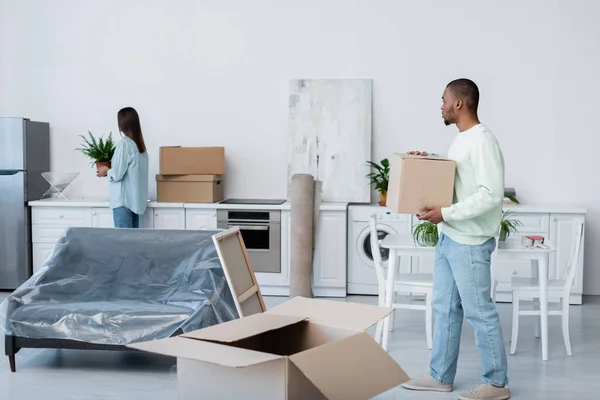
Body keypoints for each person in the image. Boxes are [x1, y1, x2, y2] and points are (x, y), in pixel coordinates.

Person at [401, 79, 510, 400]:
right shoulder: (463, 140)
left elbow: (491, 195)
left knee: (480, 312)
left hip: (471, 241)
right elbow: (459, 178)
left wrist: (445, 214)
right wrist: (427, 161)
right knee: (446, 308)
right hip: (450, 238)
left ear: (459, 104)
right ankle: (440, 376)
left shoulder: (483, 141)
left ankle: (497, 383)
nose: (441, 106)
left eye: (444, 100)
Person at [96, 107, 149, 228]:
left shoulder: (125, 144)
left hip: (123, 204)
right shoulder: (141, 148)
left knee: (123, 244)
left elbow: (117, 174)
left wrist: (106, 171)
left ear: (121, 125)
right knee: (132, 244)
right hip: (135, 204)